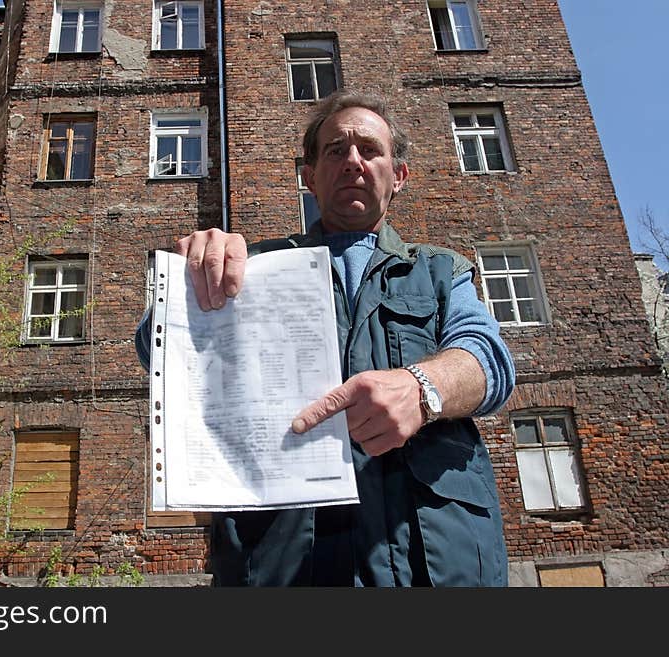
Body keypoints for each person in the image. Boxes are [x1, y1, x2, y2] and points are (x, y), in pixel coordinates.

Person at [135, 89, 515, 586]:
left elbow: (488, 359)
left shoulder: (441, 270)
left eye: (370, 150)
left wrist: (423, 388)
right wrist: (192, 278)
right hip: (285, 565)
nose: (353, 161)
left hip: (437, 563)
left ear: (398, 176)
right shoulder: (252, 269)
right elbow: (156, 352)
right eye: (336, 150)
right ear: (309, 176)